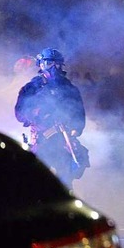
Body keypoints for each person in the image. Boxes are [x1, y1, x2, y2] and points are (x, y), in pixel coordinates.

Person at [15, 48, 89, 188]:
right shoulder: (32, 87)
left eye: (57, 64)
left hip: (63, 140)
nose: (54, 68)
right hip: (42, 140)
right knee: (39, 179)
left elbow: (79, 113)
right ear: (41, 65)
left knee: (65, 181)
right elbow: (20, 114)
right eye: (49, 63)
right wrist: (39, 112)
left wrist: (75, 129)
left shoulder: (69, 88)